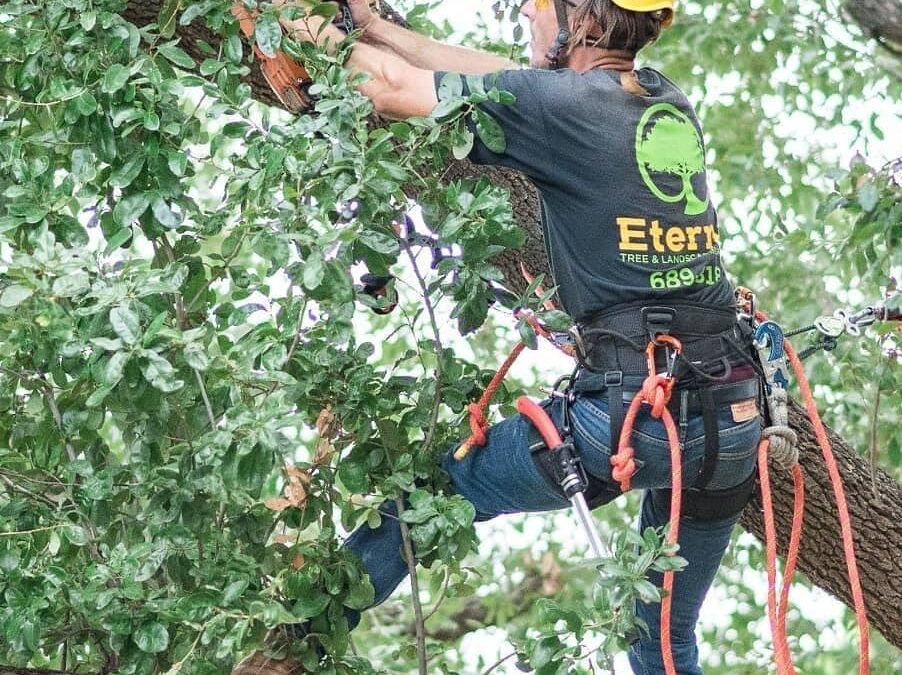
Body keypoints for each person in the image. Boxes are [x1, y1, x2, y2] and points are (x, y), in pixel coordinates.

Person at [239, 1, 764, 673]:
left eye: (540, 7)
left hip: (632, 416)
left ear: (584, 22)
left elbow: (396, 90)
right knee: (662, 639)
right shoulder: (662, 100)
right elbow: (506, 75)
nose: (527, 14)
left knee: (428, 499)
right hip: (733, 420)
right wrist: (373, 27)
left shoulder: (560, 108)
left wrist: (295, 25)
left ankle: (295, 645)